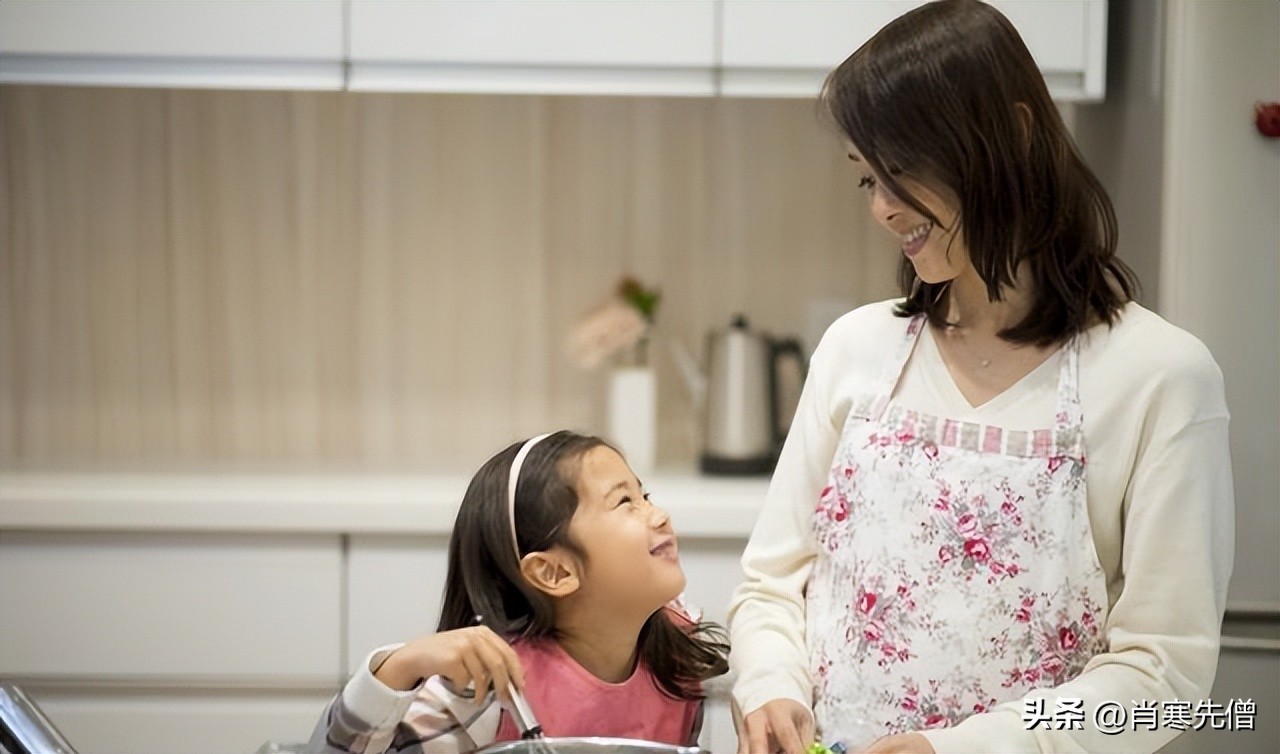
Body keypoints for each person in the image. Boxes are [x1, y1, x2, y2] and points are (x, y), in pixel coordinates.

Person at [726, 2, 1234, 753]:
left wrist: (959, 748)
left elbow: (1163, 678)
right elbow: (772, 584)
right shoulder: (856, 349)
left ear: (1017, 136)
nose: (882, 207)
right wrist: (769, 685)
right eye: (867, 178)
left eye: (902, 171)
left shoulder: (1161, 379)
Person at [307, 430, 729, 753]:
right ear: (554, 571)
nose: (659, 515)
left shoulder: (679, 656)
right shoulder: (491, 689)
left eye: (646, 495)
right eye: (624, 503)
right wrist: (400, 667)